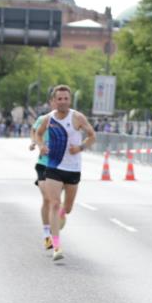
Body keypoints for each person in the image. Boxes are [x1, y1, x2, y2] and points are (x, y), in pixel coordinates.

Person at [34, 85, 97, 262]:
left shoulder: (77, 117)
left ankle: (62, 215)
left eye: (65, 99)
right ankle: (56, 245)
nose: (62, 102)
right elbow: (38, 134)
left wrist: (80, 147)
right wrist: (41, 146)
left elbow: (92, 135)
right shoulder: (48, 118)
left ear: (70, 100)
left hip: (73, 169)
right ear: (55, 100)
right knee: (54, 203)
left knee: (66, 208)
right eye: (59, 99)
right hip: (54, 167)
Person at [30, 90, 58, 250]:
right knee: (47, 198)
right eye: (56, 101)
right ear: (51, 102)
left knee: (55, 202)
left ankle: (56, 221)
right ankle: (47, 235)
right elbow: (34, 131)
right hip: (43, 164)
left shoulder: (68, 120)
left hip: (59, 166)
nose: (58, 104)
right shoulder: (43, 119)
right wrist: (35, 143)